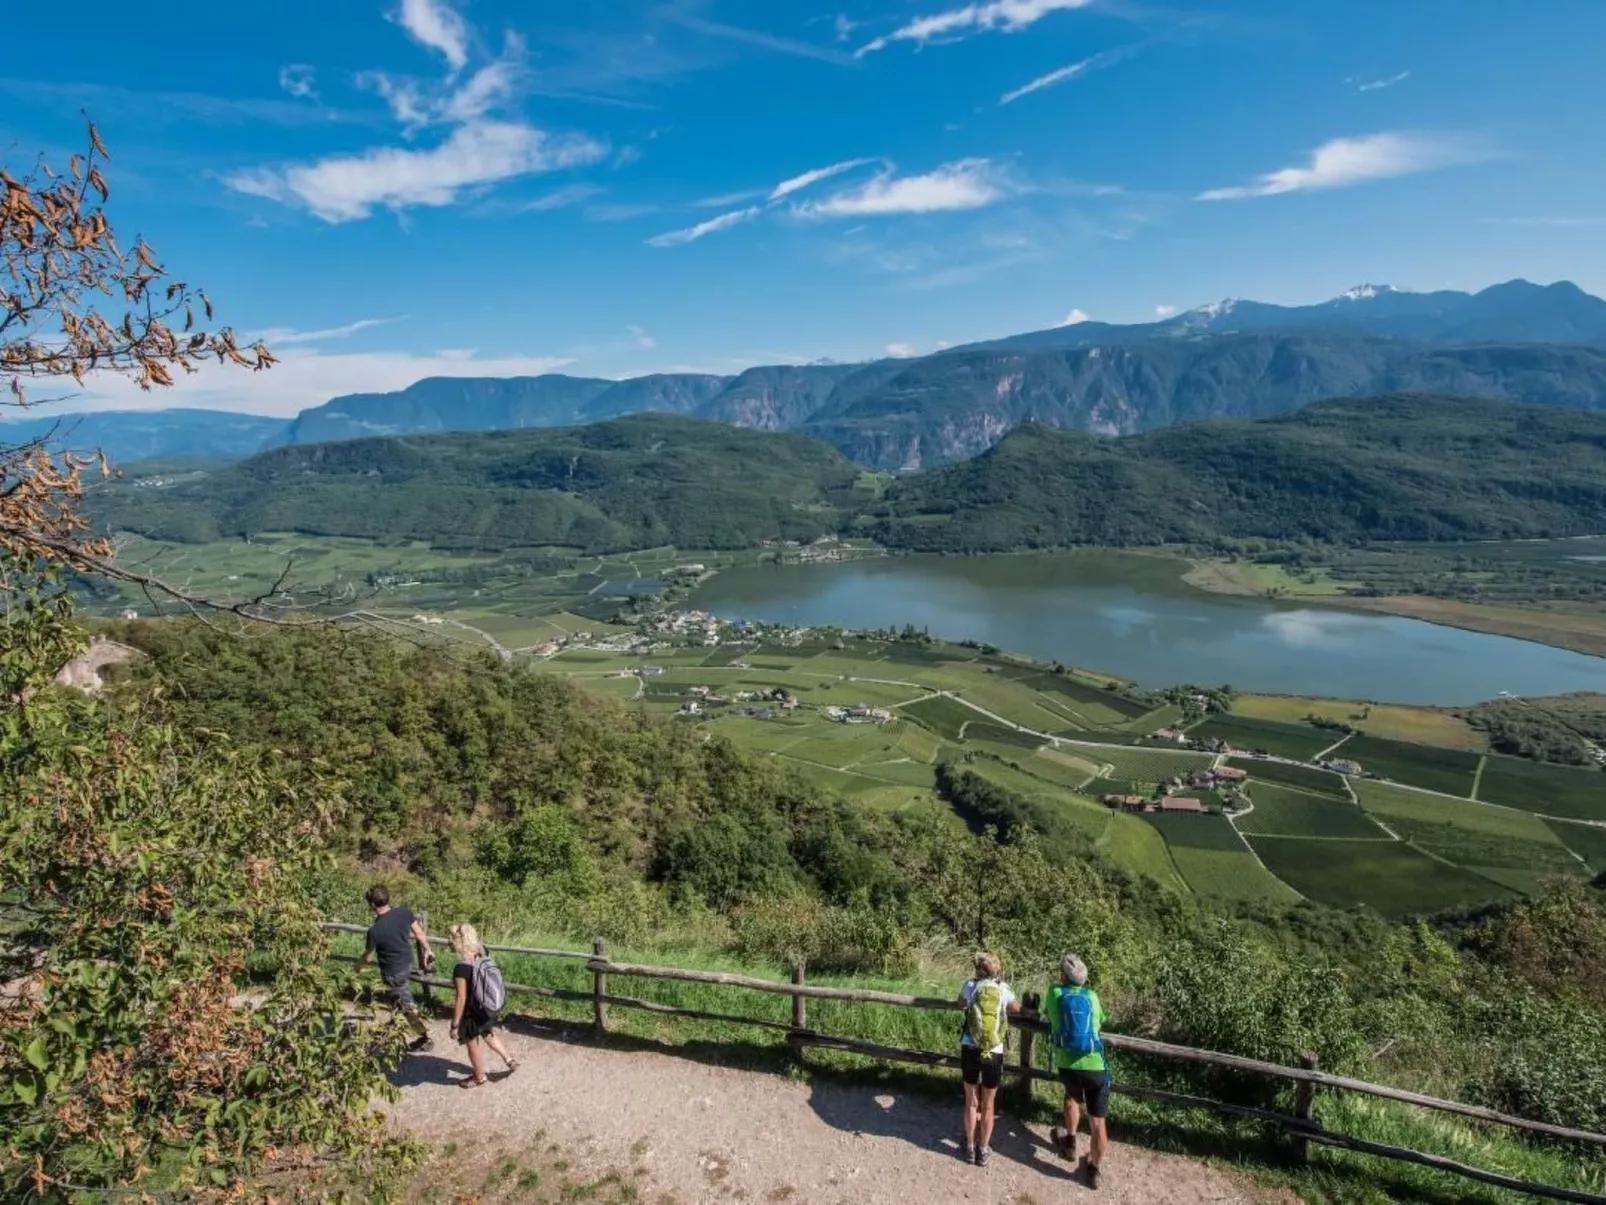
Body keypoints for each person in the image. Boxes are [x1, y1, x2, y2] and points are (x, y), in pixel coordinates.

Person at [1046, 954, 1110, 1190]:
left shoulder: (1055, 992)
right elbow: (1101, 1021)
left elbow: (1049, 1017)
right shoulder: (1092, 996)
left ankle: (1070, 1142)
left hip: (1067, 1065)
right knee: (1098, 1122)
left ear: (1063, 976)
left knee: (1072, 1097)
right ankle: (1093, 1169)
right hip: (1095, 1066)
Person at [956, 952, 1021, 1167]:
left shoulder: (970, 985)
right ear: (997, 971)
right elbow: (1016, 1009)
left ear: (978, 970)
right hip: (994, 1050)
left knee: (971, 1100)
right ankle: (983, 1149)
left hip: (970, 1046)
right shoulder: (1003, 989)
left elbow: (960, 1004)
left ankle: (970, 1148)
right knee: (988, 1103)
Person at [356, 884, 436, 1052]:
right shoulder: (404, 913)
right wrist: (428, 949)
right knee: (396, 1001)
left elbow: (368, 955)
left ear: (372, 904)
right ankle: (392, 1032)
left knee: (407, 1006)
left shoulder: (375, 931)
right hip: (407, 963)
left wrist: (358, 966)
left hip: (393, 972)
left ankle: (424, 1038)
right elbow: (419, 933)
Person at [448, 922, 518, 1089]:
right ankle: (509, 1059)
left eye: (450, 940)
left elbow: (461, 998)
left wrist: (455, 1025)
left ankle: (479, 1077)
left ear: (457, 941)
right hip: (488, 1006)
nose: (448, 943)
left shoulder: (461, 968)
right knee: (488, 1033)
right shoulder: (482, 953)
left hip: (473, 1011)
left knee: (472, 1042)